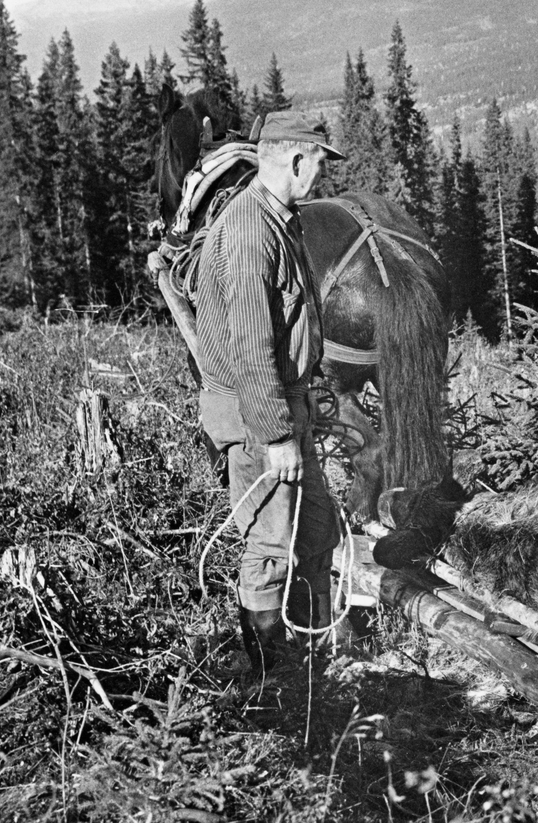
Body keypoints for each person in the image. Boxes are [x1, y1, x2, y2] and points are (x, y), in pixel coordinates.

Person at [193, 111, 345, 676]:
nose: (322, 174)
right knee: (269, 548)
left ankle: (310, 664)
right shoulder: (251, 232)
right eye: (320, 162)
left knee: (316, 528)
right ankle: (273, 682)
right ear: (296, 159)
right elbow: (251, 349)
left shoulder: (282, 219)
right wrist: (277, 434)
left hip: (284, 406)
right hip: (258, 417)